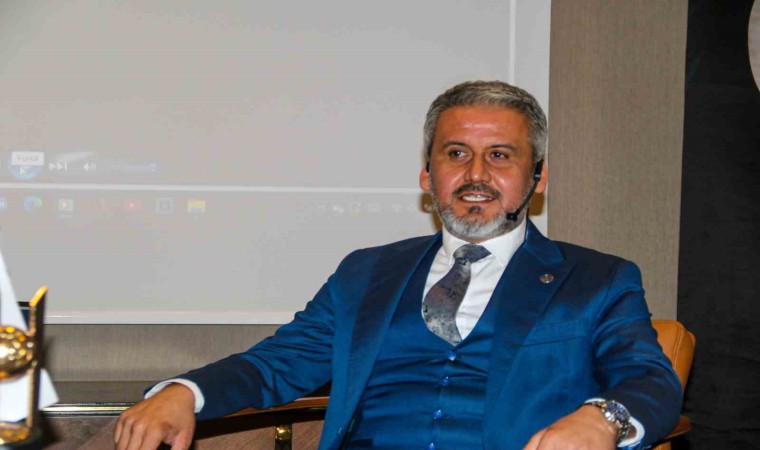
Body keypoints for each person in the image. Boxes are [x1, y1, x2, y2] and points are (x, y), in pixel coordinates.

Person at [114, 81, 682, 450]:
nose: (476, 174)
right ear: (427, 174)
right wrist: (184, 391)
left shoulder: (597, 280)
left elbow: (650, 380)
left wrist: (602, 418)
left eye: (500, 156)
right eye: (456, 154)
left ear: (538, 177)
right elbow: (277, 363)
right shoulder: (366, 274)